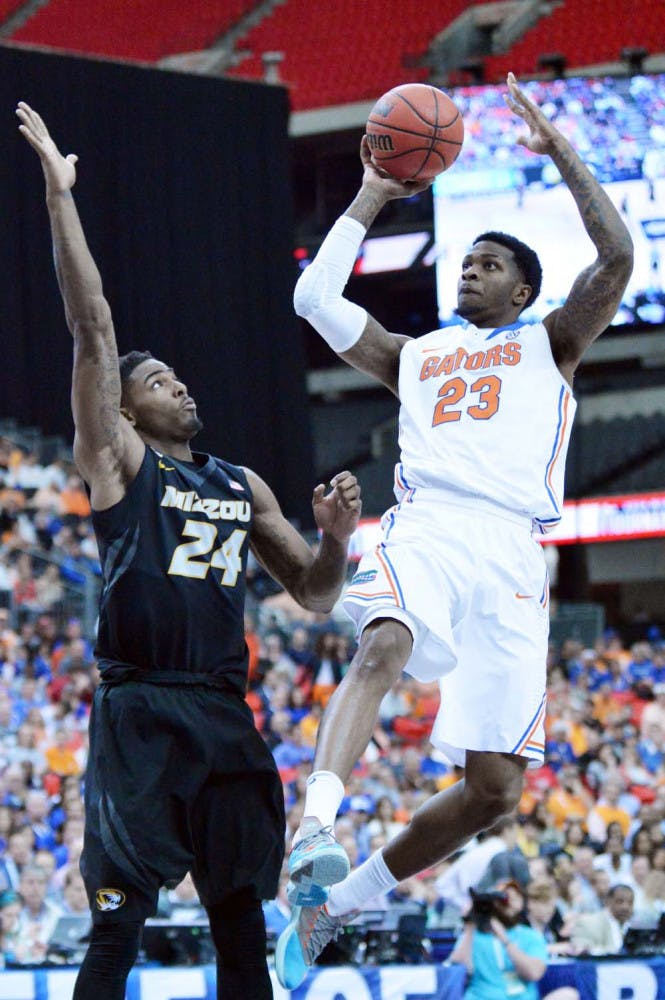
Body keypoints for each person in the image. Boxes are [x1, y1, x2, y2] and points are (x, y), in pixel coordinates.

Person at [276, 71, 634, 988]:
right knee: (383, 642)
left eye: (488, 264)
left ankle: (339, 903)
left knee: (494, 790)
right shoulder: (416, 355)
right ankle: (314, 825)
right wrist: (370, 194)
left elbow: (616, 258)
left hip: (513, 552)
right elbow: (312, 299)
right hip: (429, 526)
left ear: (523, 290)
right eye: (463, 260)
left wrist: (560, 154)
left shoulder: (549, 342)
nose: (469, 269)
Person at [16, 101, 362, 1000]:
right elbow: (92, 326)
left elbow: (316, 593)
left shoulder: (241, 484)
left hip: (221, 710)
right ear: (126, 409)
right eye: (158, 381)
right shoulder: (118, 460)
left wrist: (334, 540)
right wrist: (60, 197)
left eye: (178, 377)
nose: (180, 385)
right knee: (118, 925)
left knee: (241, 922)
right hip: (140, 708)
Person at [449, 879, 579, 1000]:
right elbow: (457, 966)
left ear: (522, 902)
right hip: (481, 997)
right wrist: (470, 923)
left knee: (568, 995)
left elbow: (534, 973)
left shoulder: (530, 935)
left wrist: (504, 940)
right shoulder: (474, 935)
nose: (509, 902)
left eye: (514, 898)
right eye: (504, 898)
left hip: (521, 997)